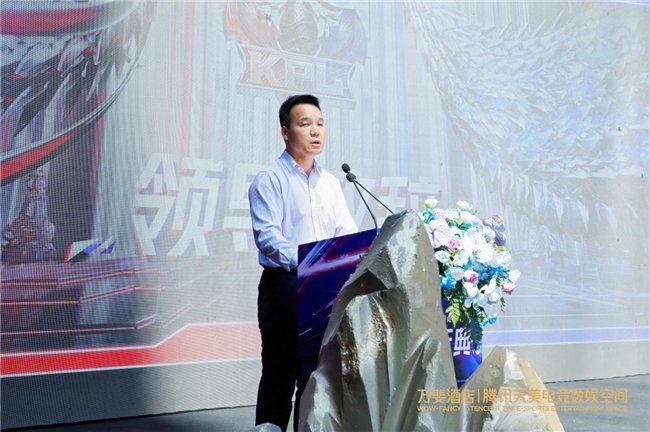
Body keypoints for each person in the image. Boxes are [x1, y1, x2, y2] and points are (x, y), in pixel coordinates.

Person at [249, 94, 357, 431]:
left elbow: (346, 233)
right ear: (285, 132)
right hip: (285, 287)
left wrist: (345, 258)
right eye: (305, 124)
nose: (315, 131)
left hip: (326, 291)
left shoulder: (331, 183)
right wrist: (312, 261)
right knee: (279, 373)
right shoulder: (270, 179)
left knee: (317, 377)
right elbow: (268, 238)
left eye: (320, 124)